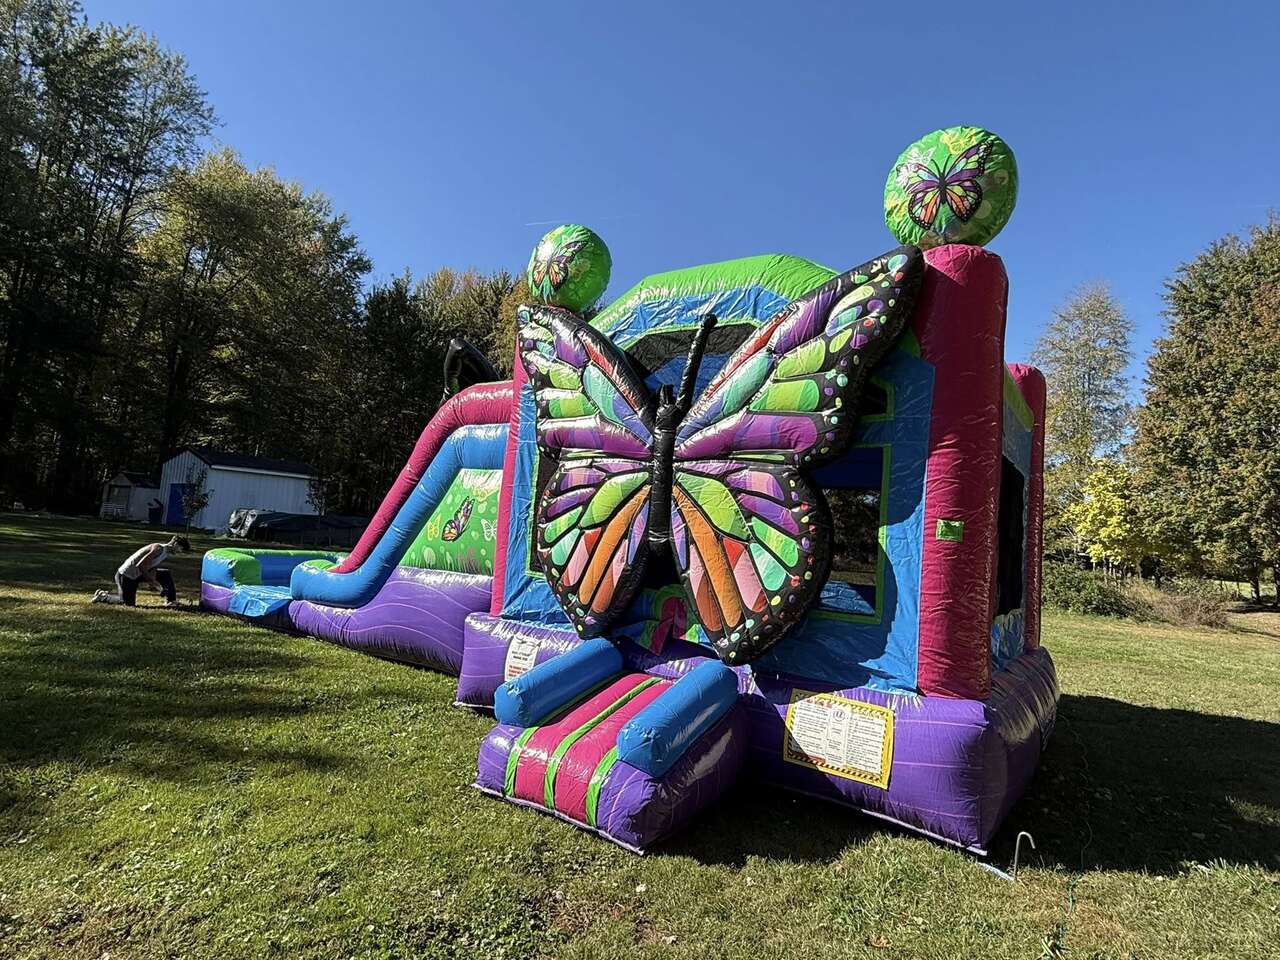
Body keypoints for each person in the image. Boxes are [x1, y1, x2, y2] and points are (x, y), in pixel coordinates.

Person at [92, 534, 190, 606]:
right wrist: (152, 582)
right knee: (127, 603)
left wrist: (155, 582)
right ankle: (103, 596)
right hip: (126, 575)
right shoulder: (158, 548)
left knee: (165, 574)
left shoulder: (165, 553)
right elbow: (141, 565)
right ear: (176, 544)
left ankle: (171, 601)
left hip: (136, 575)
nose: (180, 552)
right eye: (181, 549)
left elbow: (152, 567)